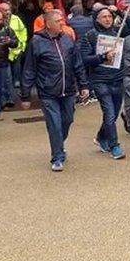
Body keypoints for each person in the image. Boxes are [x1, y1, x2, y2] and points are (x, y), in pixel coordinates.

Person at [21, 10, 90, 172]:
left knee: (67, 120)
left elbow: (77, 64)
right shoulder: (36, 42)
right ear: (49, 24)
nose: (62, 23)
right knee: (54, 124)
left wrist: (84, 85)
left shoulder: (67, 39)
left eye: (62, 21)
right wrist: (25, 95)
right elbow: (29, 70)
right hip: (48, 92)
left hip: (68, 90)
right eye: (58, 21)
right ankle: (57, 156)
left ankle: (59, 142)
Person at [81, 5, 130, 160]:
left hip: (117, 78)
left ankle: (101, 137)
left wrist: (119, 11)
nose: (108, 19)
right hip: (101, 80)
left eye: (109, 16)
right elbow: (85, 59)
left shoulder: (117, 31)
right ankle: (114, 146)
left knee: (112, 115)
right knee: (109, 113)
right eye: (104, 17)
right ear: (97, 19)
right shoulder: (90, 36)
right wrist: (101, 57)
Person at [0, 2, 27, 105]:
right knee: (7, 78)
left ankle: (12, 97)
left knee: (16, 78)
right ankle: (8, 98)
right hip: (4, 52)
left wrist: (22, 45)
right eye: (5, 10)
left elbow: (23, 31)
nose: (8, 12)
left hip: (16, 51)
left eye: (8, 10)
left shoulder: (16, 19)